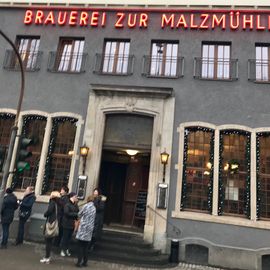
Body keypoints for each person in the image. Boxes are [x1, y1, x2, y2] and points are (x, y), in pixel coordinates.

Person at [40, 191, 61, 264]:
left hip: (51, 223)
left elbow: (49, 211)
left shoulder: (52, 202)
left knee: (48, 241)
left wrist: (45, 214)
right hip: (55, 223)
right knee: (50, 242)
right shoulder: (59, 204)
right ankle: (47, 257)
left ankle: (47, 257)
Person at [75, 195, 96, 267]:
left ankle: (79, 262)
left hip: (83, 228)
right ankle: (85, 262)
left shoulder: (85, 206)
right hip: (89, 229)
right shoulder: (94, 208)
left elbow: (79, 214)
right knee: (86, 247)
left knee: (80, 246)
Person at [60, 192, 79, 257]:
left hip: (72, 224)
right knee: (65, 237)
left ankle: (67, 249)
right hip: (66, 223)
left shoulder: (75, 205)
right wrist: (76, 214)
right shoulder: (67, 204)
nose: (76, 197)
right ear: (72, 197)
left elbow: (77, 211)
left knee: (69, 238)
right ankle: (62, 250)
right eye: (75, 196)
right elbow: (66, 213)